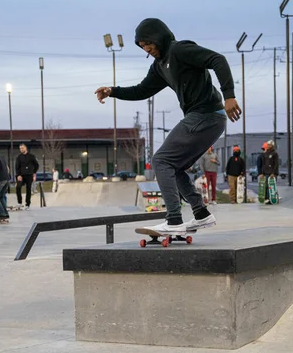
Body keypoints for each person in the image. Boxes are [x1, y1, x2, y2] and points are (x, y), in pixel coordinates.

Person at [94, 18, 239, 235]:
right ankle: (201, 214)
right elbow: (141, 90)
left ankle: (174, 221)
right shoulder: (160, 67)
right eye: (142, 47)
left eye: (148, 43)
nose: (147, 49)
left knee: (161, 160)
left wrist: (229, 95)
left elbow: (218, 59)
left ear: (158, 37)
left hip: (206, 114)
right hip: (206, 118)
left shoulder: (180, 50)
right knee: (174, 166)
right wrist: (113, 91)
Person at [15, 144, 39, 210]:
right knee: (18, 187)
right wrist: (18, 175)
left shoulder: (31, 156)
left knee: (28, 189)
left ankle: (27, 204)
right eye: (20, 148)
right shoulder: (19, 157)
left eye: (22, 148)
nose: (21, 149)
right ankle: (19, 202)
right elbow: (17, 167)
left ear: (25, 148)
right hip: (21, 175)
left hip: (29, 175)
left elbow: (36, 165)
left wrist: (34, 172)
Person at [259, 140, 279, 205]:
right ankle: (267, 198)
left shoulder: (275, 154)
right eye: (267, 145)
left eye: (269, 145)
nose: (268, 146)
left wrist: (273, 173)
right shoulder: (264, 154)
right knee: (266, 186)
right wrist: (262, 173)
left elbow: (276, 164)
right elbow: (263, 164)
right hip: (266, 172)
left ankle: (273, 198)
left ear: (272, 145)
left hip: (272, 173)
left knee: (272, 187)